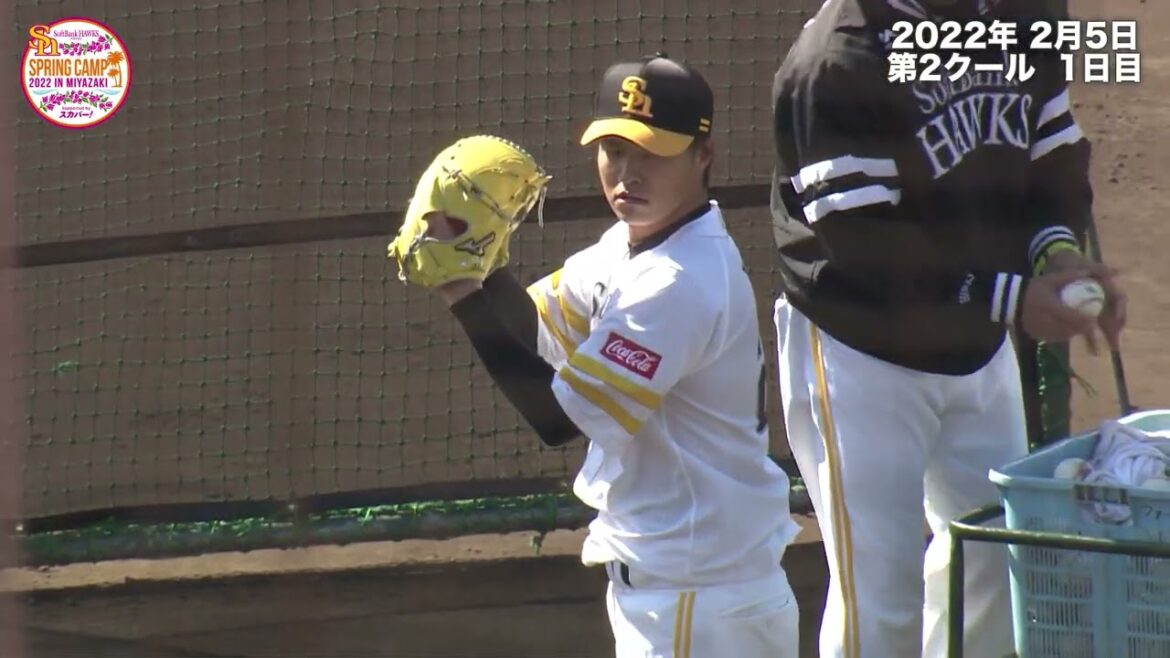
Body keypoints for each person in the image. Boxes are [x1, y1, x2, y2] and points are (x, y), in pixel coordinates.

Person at [388, 54, 803, 658]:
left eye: (652, 153)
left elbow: (557, 419)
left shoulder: (678, 280)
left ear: (703, 156)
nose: (627, 173)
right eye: (613, 149)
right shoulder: (630, 248)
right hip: (690, 592)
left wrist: (460, 288)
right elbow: (535, 328)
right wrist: (482, 259)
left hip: (699, 605)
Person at [766, 1, 1127, 657]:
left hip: (975, 338)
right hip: (859, 346)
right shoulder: (839, 58)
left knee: (996, 560)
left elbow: (1051, 153)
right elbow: (864, 243)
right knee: (882, 598)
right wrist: (1009, 298)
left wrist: (1056, 252)